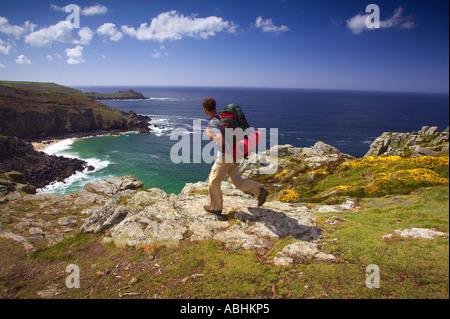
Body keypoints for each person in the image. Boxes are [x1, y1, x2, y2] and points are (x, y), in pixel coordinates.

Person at [202, 97, 268, 218]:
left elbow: (219, 139)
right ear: (214, 106)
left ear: (205, 109)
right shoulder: (222, 118)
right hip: (235, 154)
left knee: (213, 181)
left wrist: (209, 134)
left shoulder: (213, 122)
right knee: (235, 181)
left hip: (225, 156)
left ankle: (216, 208)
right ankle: (259, 190)